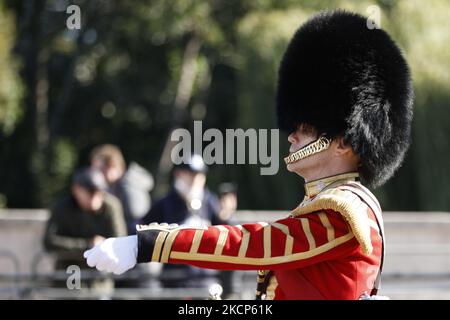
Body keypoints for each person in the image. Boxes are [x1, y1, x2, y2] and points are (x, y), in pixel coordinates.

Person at [83, 10, 413, 299]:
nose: (292, 135)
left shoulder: (343, 212)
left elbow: (250, 245)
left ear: (343, 141)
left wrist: (150, 244)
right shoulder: (325, 203)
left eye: (306, 129)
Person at [140, 154, 229, 289]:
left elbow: (226, 236)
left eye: (199, 175)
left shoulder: (210, 201)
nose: (195, 179)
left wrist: (226, 217)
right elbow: (141, 228)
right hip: (175, 278)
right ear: (178, 174)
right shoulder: (166, 203)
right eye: (190, 174)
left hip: (205, 278)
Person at [43, 167, 127, 288]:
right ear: (76, 190)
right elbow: (49, 242)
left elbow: (120, 242)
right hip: (69, 274)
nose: (94, 197)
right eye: (89, 192)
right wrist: (87, 245)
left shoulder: (110, 207)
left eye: (98, 192)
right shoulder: (63, 207)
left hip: (99, 278)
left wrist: (102, 246)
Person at [90, 144, 154, 235]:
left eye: (99, 169)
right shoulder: (114, 187)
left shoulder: (128, 187)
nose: (96, 175)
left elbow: (137, 221)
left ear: (112, 165)